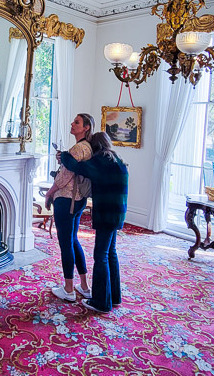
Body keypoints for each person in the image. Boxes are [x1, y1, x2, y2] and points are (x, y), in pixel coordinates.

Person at [60, 132, 128, 313]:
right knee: (111, 253)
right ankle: (114, 296)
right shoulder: (118, 161)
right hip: (118, 213)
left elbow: (75, 166)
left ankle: (100, 302)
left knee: (101, 256)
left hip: (106, 212)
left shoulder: (100, 162)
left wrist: (64, 155)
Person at [44, 113, 95, 302]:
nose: (72, 124)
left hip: (67, 200)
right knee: (73, 240)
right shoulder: (86, 147)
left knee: (66, 243)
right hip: (79, 200)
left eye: (77, 122)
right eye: (73, 121)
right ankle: (84, 285)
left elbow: (64, 177)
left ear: (86, 127)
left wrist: (49, 193)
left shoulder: (78, 148)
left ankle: (68, 289)